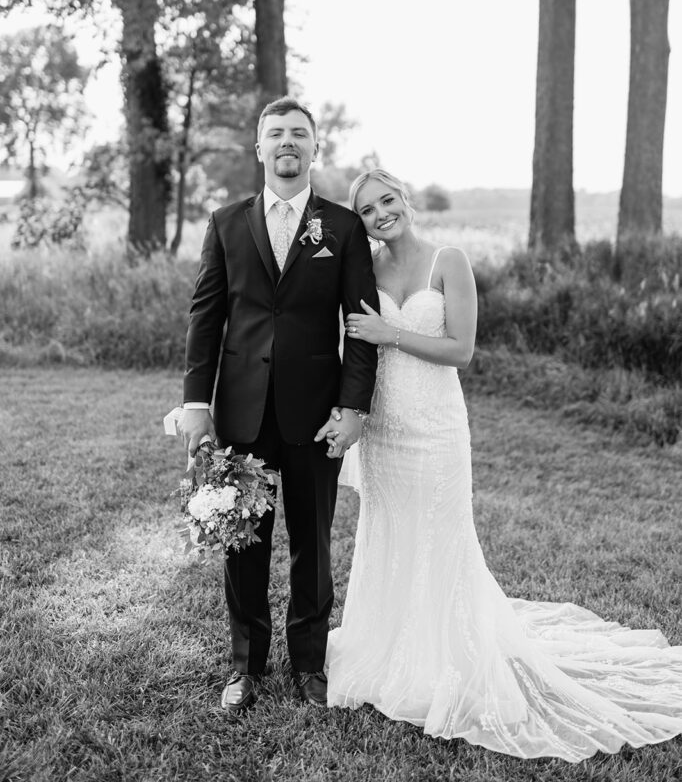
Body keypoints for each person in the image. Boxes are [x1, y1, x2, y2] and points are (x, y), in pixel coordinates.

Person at [325, 168, 682, 761]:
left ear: (405, 200)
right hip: (385, 428)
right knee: (389, 532)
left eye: (387, 200)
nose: (381, 213)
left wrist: (391, 331)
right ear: (360, 220)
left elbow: (461, 351)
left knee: (442, 536)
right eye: (367, 210)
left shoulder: (449, 260)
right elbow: (354, 347)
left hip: (436, 427)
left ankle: (443, 656)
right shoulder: (366, 270)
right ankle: (386, 646)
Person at [180, 99, 378, 716]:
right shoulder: (226, 222)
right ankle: (245, 668)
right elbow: (206, 317)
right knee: (244, 546)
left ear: (315, 150)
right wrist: (194, 403)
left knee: (313, 545)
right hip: (240, 412)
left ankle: (310, 665)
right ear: (259, 149)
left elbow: (361, 325)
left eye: (299, 134)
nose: (287, 143)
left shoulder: (343, 229)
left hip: (316, 415)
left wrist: (353, 408)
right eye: (276, 135)